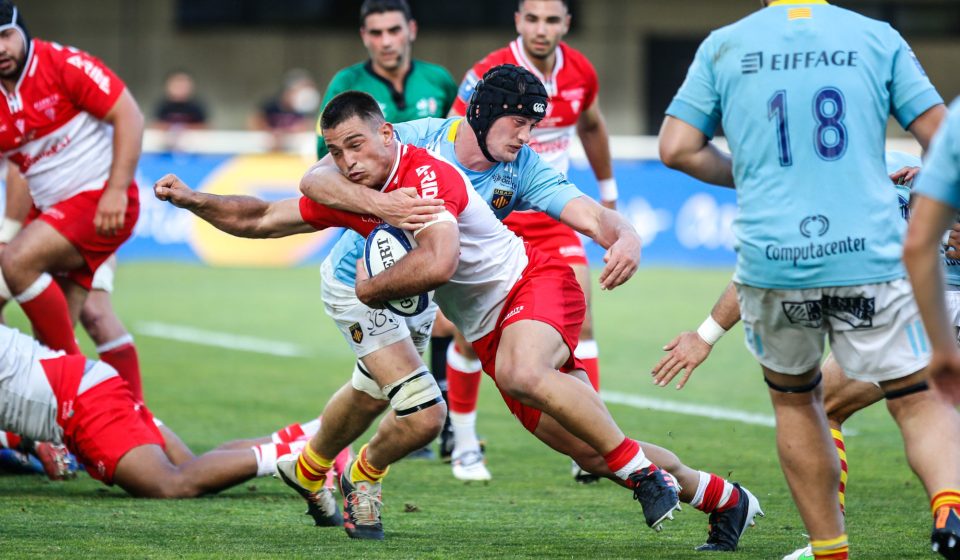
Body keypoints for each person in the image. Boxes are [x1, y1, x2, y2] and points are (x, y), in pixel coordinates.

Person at [157, 87, 763, 551]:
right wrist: (195, 201)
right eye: (516, 122)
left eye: (356, 147)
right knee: (586, 450)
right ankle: (723, 497)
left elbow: (442, 258)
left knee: (505, 385)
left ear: (388, 136)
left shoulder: (429, 172)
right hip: (486, 324)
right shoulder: (381, 164)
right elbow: (266, 213)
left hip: (535, 283)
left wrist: (623, 230)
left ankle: (640, 475)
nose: (347, 160)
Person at [658, 1, 959, 558]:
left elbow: (675, 149)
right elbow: (944, 137)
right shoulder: (876, 37)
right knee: (916, 399)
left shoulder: (726, 43)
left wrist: (747, 174)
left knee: (798, 401)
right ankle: (948, 505)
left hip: (776, 256)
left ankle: (829, 550)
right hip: (866, 253)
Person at [652, 153, 932, 559]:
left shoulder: (823, 175)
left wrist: (704, 336)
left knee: (825, 407)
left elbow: (765, 263)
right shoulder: (909, 161)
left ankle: (827, 547)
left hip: (919, 313)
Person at [449, 0, 617, 482]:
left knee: (581, 325)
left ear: (566, 23)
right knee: (470, 331)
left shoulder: (581, 71)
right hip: (494, 217)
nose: (541, 29)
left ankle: (590, 442)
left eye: (551, 20)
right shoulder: (488, 73)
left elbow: (591, 125)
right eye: (532, 19)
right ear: (518, 21)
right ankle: (464, 444)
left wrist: (609, 195)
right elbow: (453, 134)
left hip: (551, 214)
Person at [314, 0, 459, 462]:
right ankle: (418, 416)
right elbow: (325, 168)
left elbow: (452, 141)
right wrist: (382, 208)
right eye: (376, 33)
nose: (386, 40)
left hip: (429, 210)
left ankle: (442, 417)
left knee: (441, 321)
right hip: (373, 225)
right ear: (364, 37)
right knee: (382, 312)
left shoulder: (437, 80)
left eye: (393, 30)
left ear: (411, 30)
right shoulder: (346, 85)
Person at [0, 322, 353, 499]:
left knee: (169, 483)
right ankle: (311, 433)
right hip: (88, 385)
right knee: (188, 466)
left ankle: (308, 454)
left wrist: (28, 443)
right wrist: (30, 443)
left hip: (79, 405)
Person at [0, 1, 143, 367]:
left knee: (14, 263)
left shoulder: (62, 65)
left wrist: (115, 189)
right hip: (57, 215)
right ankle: (131, 417)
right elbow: (16, 172)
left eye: (5, 36)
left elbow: (129, 114)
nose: (0, 48)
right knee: (52, 345)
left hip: (98, 201)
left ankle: (76, 385)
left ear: (22, 31)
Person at [905, 98, 960, 409]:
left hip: (948, 301)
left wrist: (941, 348)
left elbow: (917, 246)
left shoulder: (955, 118)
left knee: (823, 403)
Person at [250, 69, 320, 151]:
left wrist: (288, 133)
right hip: (268, 151)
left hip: (294, 151)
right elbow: (254, 121)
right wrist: (269, 133)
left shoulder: (305, 107)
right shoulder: (270, 104)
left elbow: (308, 128)